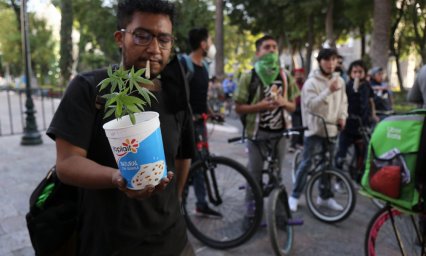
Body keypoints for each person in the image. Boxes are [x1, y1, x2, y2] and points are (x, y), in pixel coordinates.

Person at [47, 1, 197, 255]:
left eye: (164, 39)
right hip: (108, 245)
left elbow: (183, 158)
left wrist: (174, 202)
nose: (154, 49)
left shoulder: (175, 95)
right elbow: (67, 164)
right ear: (120, 38)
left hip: (173, 242)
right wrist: (118, 178)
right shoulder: (89, 88)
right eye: (142, 36)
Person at [233, 35, 300, 229]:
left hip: (280, 134)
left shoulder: (286, 76)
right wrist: (259, 106)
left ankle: (278, 213)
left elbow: (293, 107)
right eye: (267, 47)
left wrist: (284, 103)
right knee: (254, 174)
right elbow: (238, 107)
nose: (271, 51)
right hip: (257, 134)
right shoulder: (249, 76)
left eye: (274, 48)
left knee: (277, 175)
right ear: (258, 53)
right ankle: (251, 213)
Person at [288, 48, 348, 212]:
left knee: (328, 165)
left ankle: (325, 197)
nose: (331, 63)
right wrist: (328, 90)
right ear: (320, 62)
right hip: (314, 129)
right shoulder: (311, 82)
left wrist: (342, 117)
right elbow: (311, 105)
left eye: (334, 59)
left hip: (332, 129)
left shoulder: (340, 81)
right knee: (307, 163)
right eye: (327, 59)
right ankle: (294, 195)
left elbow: (343, 102)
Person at [180, 27, 223, 218]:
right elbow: (180, 97)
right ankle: (178, 205)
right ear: (203, 44)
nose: (212, 46)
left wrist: (212, 113)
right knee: (187, 164)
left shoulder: (205, 66)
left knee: (201, 163)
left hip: (201, 123)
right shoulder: (184, 64)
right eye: (211, 42)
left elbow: (202, 97)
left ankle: (201, 204)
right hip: (185, 125)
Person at [335, 60, 379, 176]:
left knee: (361, 153)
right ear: (350, 73)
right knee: (342, 153)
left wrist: (373, 114)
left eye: (360, 72)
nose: (357, 75)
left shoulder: (367, 87)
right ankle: (339, 178)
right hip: (347, 125)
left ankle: (357, 175)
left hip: (362, 125)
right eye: (355, 72)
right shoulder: (347, 87)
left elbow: (371, 101)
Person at [288, 68, 306, 152]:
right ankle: (293, 145)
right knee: (296, 126)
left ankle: (301, 142)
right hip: (295, 108)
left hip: (304, 109)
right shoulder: (293, 84)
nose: (298, 76)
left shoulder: (306, 84)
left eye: (300, 74)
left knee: (302, 126)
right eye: (297, 74)